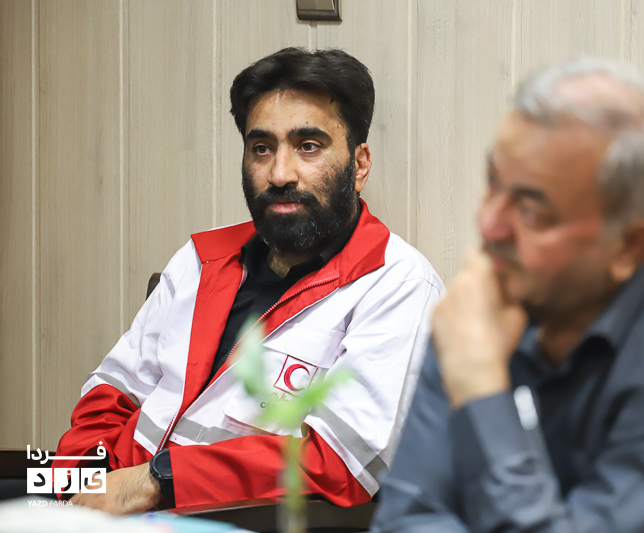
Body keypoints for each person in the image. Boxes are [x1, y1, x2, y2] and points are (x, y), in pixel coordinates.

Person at [371, 60, 644, 532]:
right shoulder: (488, 303)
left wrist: (481, 390)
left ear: (629, 246)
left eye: (532, 213)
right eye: (493, 183)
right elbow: (405, 517)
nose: (489, 225)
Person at [54, 47, 444, 514]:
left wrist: (154, 482)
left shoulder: (397, 285)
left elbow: (340, 463)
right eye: (262, 148)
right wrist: (76, 484)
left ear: (359, 165)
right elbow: (112, 388)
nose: (279, 174)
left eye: (308, 146)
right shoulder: (201, 259)